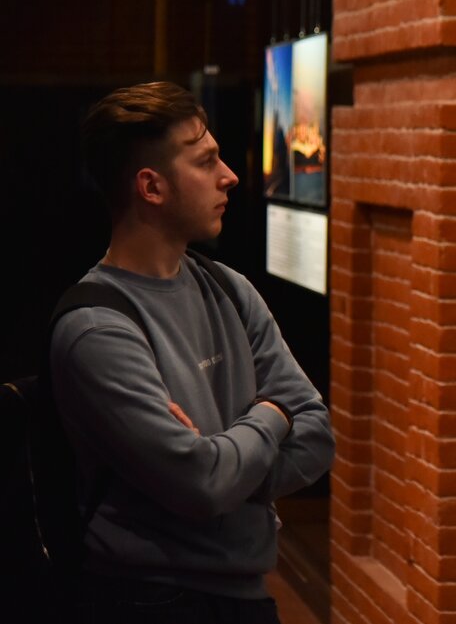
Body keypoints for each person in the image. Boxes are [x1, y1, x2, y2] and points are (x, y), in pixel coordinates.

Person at [49, 82, 335, 623]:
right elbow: (202, 484)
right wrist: (271, 415)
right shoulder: (96, 329)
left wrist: (226, 466)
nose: (230, 175)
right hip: (147, 600)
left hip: (247, 596)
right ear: (151, 187)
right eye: (206, 162)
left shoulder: (229, 288)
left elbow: (317, 432)